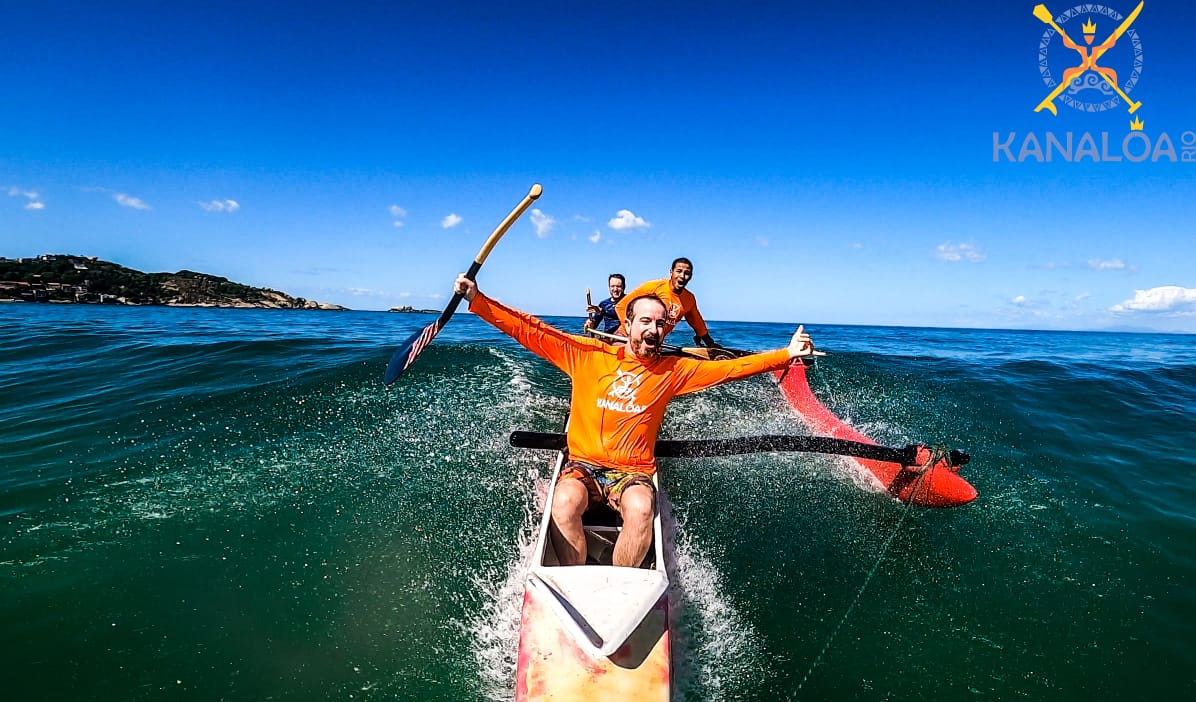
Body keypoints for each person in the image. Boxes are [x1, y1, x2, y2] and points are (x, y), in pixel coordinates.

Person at [454, 273, 817, 568]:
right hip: (582, 466)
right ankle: (574, 580)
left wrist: (785, 355)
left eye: (660, 324)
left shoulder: (673, 371)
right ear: (627, 325)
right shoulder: (586, 355)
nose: (653, 330)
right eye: (645, 321)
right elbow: (530, 330)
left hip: (633, 473)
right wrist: (478, 301)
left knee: (643, 509)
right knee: (563, 503)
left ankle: (620, 585)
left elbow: (729, 369)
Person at [616, 257, 719, 348]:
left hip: (653, 342)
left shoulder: (689, 299)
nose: (682, 276)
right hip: (625, 337)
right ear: (671, 272)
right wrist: (631, 333)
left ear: (691, 276)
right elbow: (621, 306)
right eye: (679, 271)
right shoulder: (653, 287)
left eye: (686, 273)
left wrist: (710, 343)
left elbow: (697, 323)